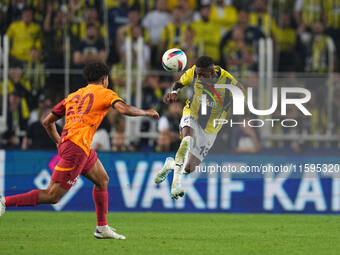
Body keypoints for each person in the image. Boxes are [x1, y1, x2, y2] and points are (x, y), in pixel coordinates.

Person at [0, 62, 159, 240]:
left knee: (102, 180)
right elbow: (124, 109)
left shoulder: (73, 96)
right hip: (77, 148)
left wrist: (60, 143)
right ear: (104, 80)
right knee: (53, 195)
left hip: (76, 146)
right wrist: (146, 112)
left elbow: (47, 122)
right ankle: (4, 201)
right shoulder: (105, 93)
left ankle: (102, 227)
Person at [154, 56, 244, 199]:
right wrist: (174, 92)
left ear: (212, 72)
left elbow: (241, 92)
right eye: (198, 74)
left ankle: (171, 165)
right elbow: (178, 83)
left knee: (189, 168)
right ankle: (176, 185)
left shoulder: (227, 81)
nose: (199, 77)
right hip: (192, 114)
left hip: (210, 129)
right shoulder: (193, 72)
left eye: (203, 75)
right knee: (187, 140)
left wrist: (232, 109)